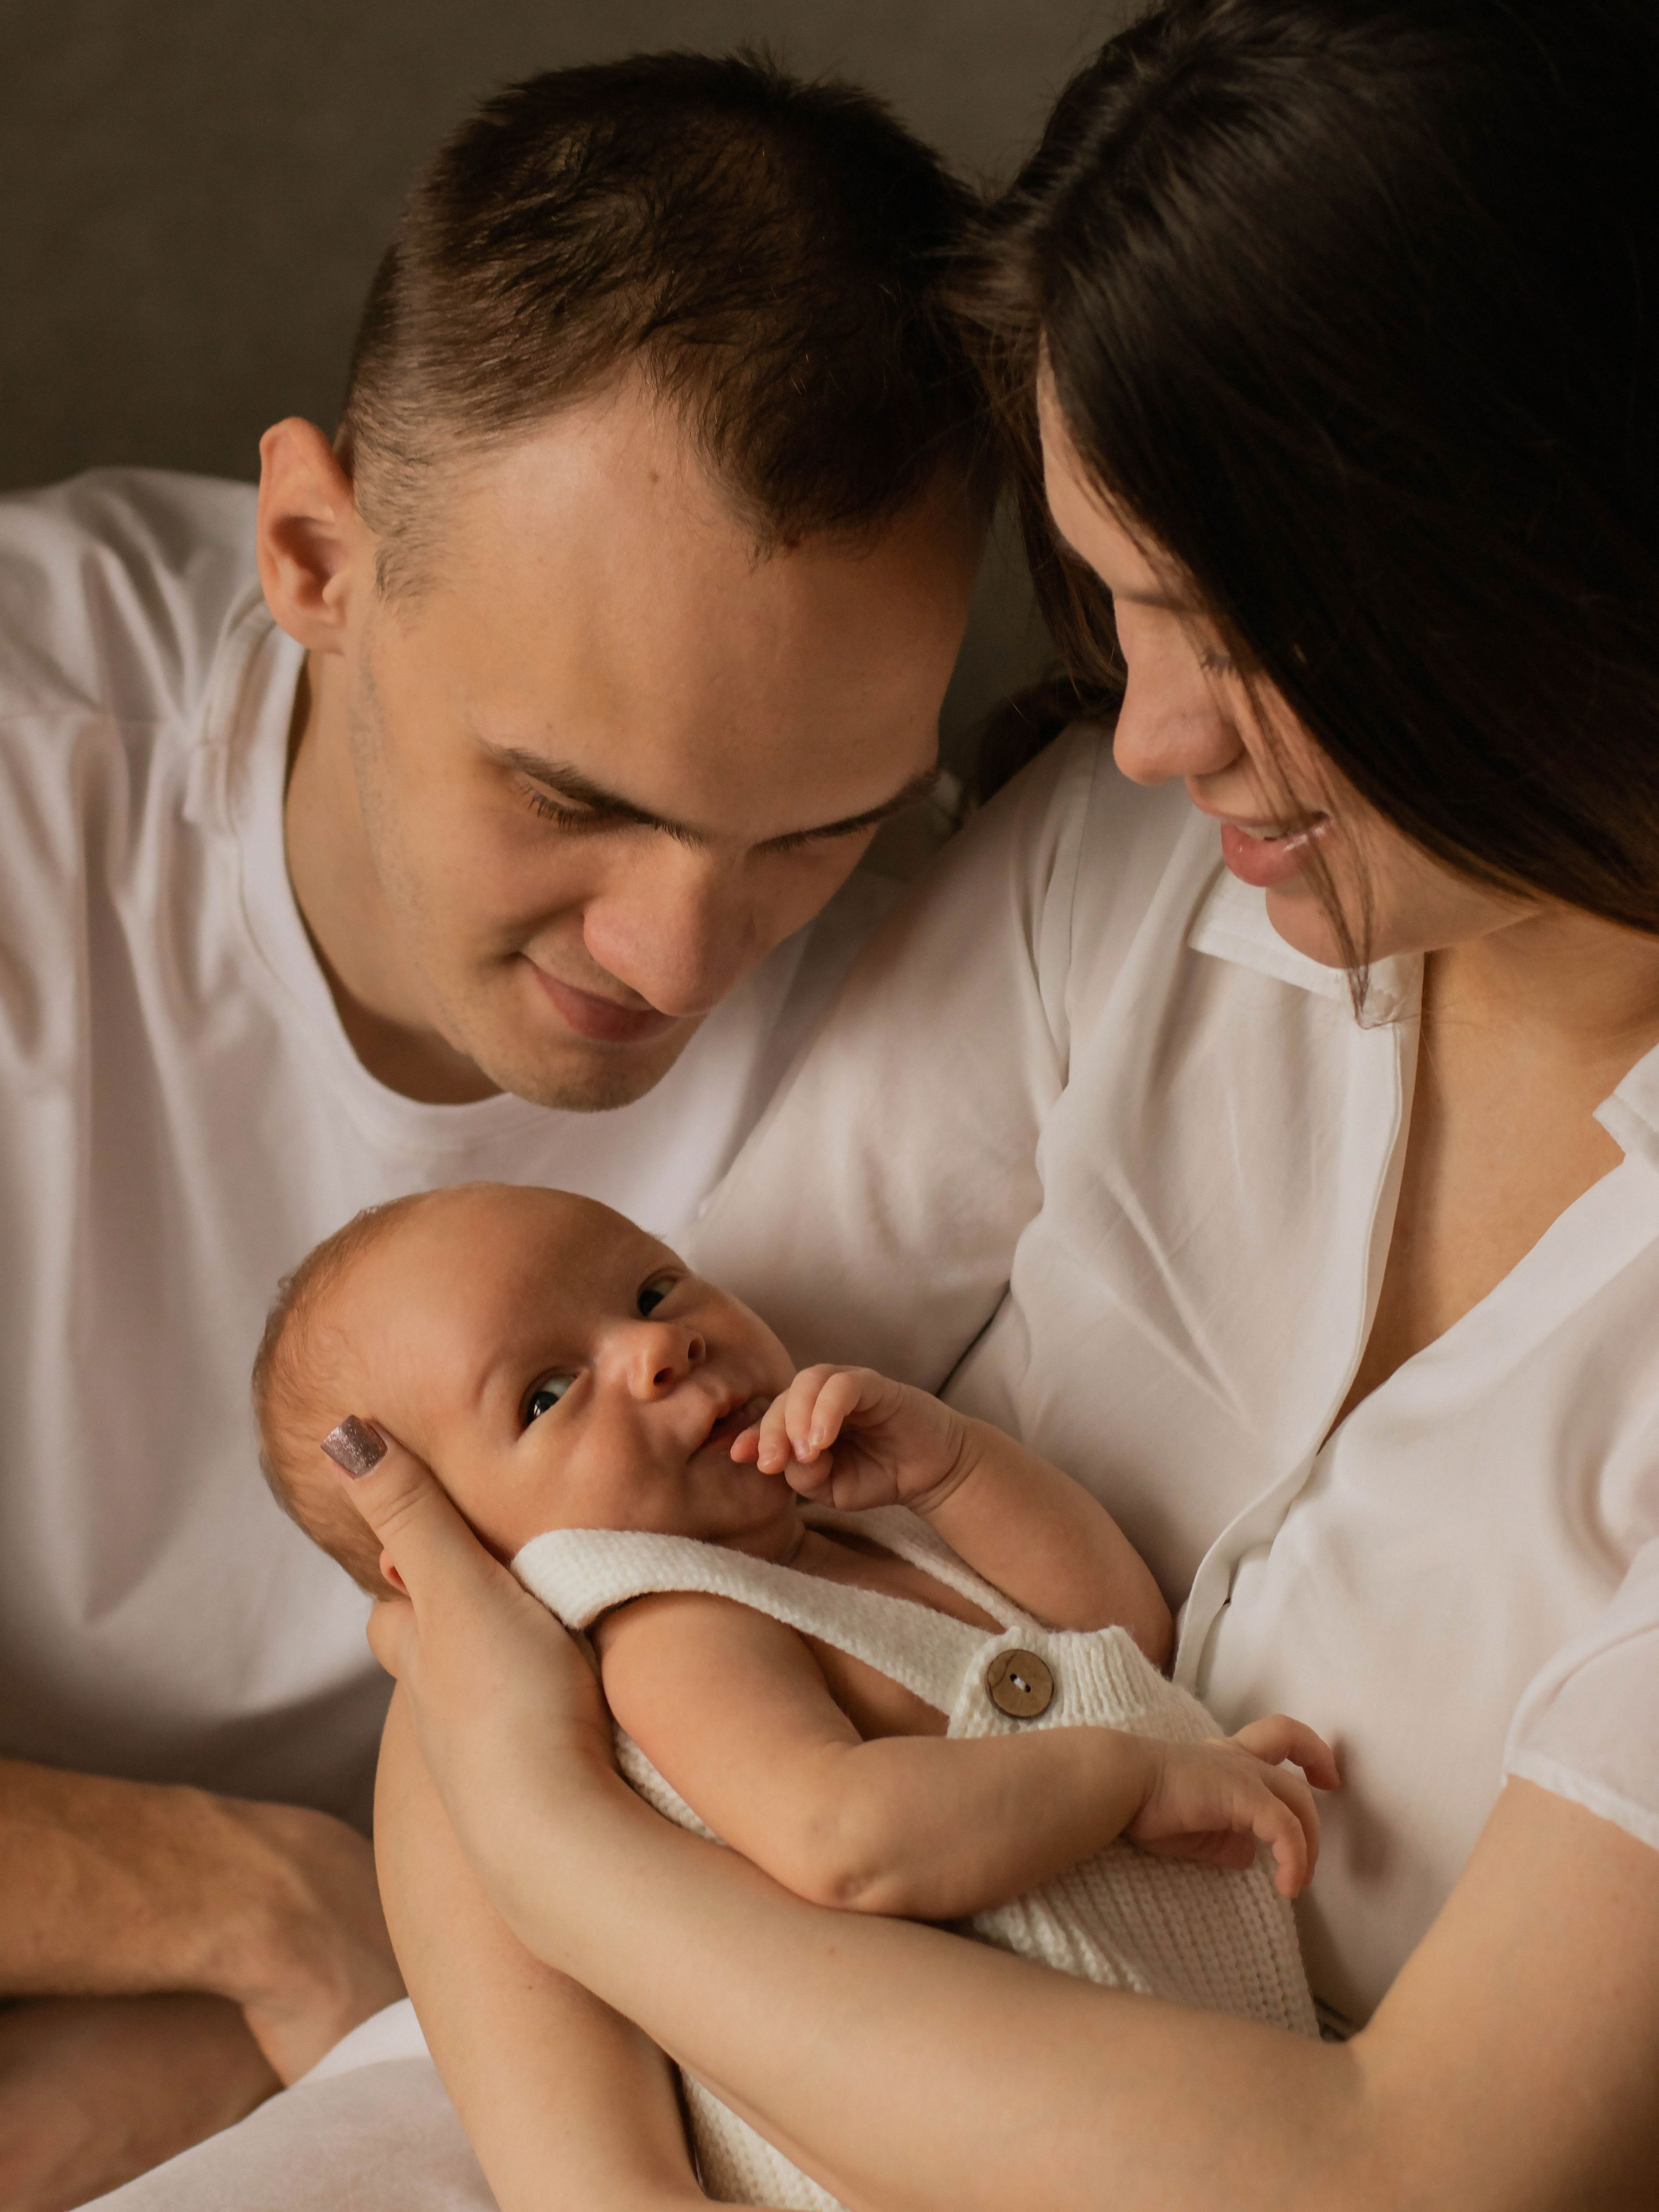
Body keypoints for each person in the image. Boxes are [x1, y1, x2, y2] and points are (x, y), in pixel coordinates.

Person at [321, 3, 1659, 2207]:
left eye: (1230, 627)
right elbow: (504, 1571)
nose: (1145, 736)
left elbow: (1412, 2172)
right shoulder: (1138, 875)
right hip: (556, 2099)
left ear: (1552, 548)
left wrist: (573, 1853)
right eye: (1116, 609)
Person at [0, 51, 988, 2212]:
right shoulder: (27, 771)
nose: (679, 953)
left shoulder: (963, 965)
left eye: (813, 828)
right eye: (572, 797)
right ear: (313, 554)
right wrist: (243, 1897)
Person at [254, 1180, 1330, 2204]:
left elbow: (1121, 1634)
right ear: (454, 1561)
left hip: (1203, 2111)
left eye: (653, 1290)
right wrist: (1130, 1781)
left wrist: (956, 1472)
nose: (656, 1347)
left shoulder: (837, 1523)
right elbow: (844, 1835)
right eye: (545, 1395)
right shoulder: (675, 1628)